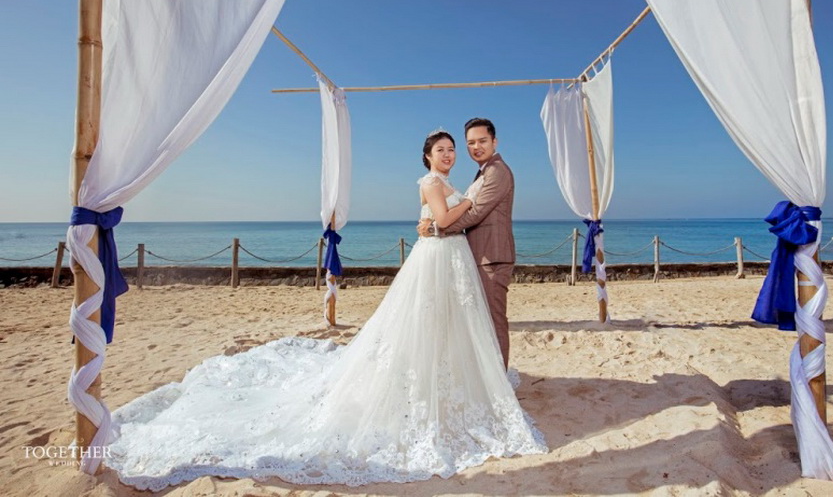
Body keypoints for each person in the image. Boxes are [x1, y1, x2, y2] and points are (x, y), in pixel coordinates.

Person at [104, 129, 546, 491]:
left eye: (456, 148)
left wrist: (440, 218)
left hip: (455, 260)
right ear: (427, 156)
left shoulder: (477, 177)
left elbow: (447, 221)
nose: (452, 154)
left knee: (452, 326)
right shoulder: (435, 183)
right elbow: (450, 220)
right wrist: (448, 214)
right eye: (443, 149)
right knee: (424, 324)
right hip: (437, 260)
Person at [418, 118, 515, 369]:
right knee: (478, 321)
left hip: (491, 257)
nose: (476, 147)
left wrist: (436, 228)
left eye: (482, 141)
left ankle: (499, 380)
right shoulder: (482, 172)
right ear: (428, 156)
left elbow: (475, 214)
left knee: (493, 321)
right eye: (470, 143)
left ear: (494, 141)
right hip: (476, 255)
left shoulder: (497, 172)